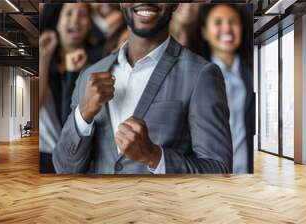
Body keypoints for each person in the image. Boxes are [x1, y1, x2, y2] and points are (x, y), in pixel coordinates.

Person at [53, 3, 233, 174]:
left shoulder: (202, 74)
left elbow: (219, 170)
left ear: (175, 4)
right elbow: (64, 168)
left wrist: (154, 156)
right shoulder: (89, 75)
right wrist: (83, 114)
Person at [39, 3, 102, 173]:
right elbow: (36, 102)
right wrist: (44, 57)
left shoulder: (97, 61)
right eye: (68, 13)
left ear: (89, 24)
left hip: (79, 155)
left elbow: (75, 118)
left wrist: (74, 74)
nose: (75, 19)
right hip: (45, 156)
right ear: (58, 22)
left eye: (82, 14)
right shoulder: (47, 58)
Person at [197, 4, 254, 173]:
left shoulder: (251, 75)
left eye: (232, 22)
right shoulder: (194, 75)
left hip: (245, 172)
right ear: (205, 32)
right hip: (210, 173)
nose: (227, 28)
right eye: (218, 22)